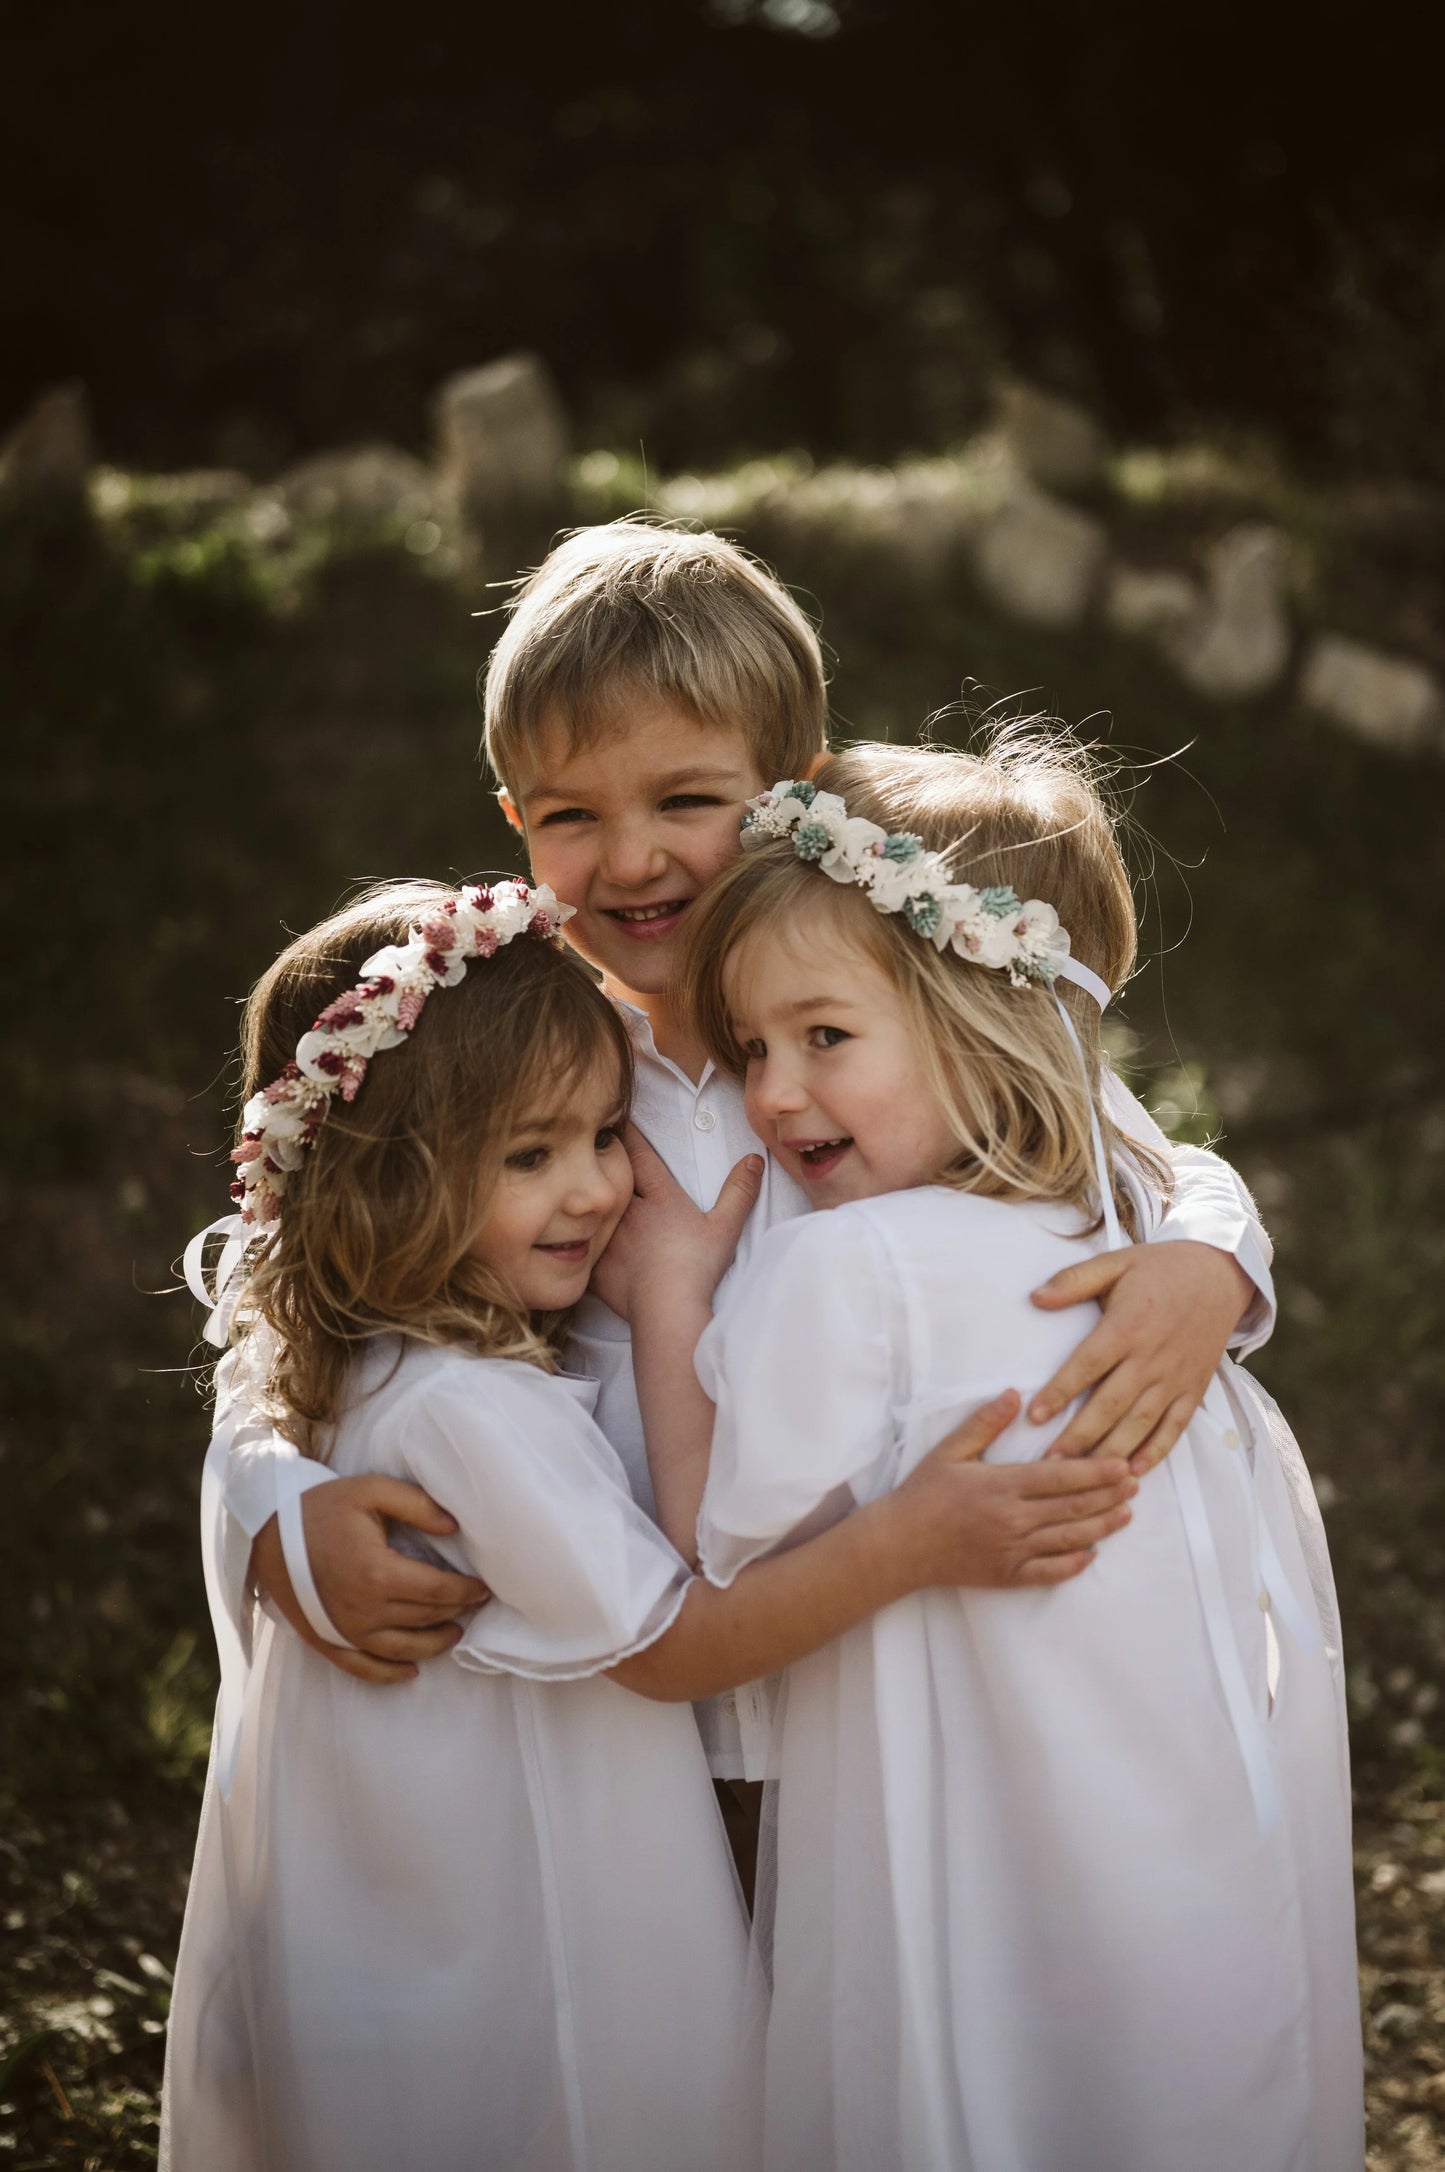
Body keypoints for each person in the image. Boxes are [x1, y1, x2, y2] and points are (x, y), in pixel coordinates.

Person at [225, 524, 1282, 1832]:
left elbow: (1120, 1139)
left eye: (684, 801)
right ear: (512, 819)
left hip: (882, 1683)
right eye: (570, 817)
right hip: (621, 1707)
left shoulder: (878, 1020)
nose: (629, 861)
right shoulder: (511, 1057)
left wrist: (1210, 1257)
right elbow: (305, 1264)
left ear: (798, 792)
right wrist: (269, 1494)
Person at [164, 875, 1140, 2172]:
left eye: (601, 1137)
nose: (594, 1193)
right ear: (386, 1177)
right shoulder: (471, 1408)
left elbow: (1147, 1156)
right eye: (530, 1157)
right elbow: (669, 1647)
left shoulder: (376, 1355)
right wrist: (912, 1539)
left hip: (408, 1898)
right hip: (525, 1903)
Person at [621, 734, 1363, 2172]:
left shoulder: (858, 1270)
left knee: (972, 2082)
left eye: (823, 1039)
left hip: (966, 1833)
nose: (774, 1096)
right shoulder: (1127, 1235)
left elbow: (712, 1526)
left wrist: (666, 1303)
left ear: (987, 1020)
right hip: (1180, 1827)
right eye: (756, 1048)